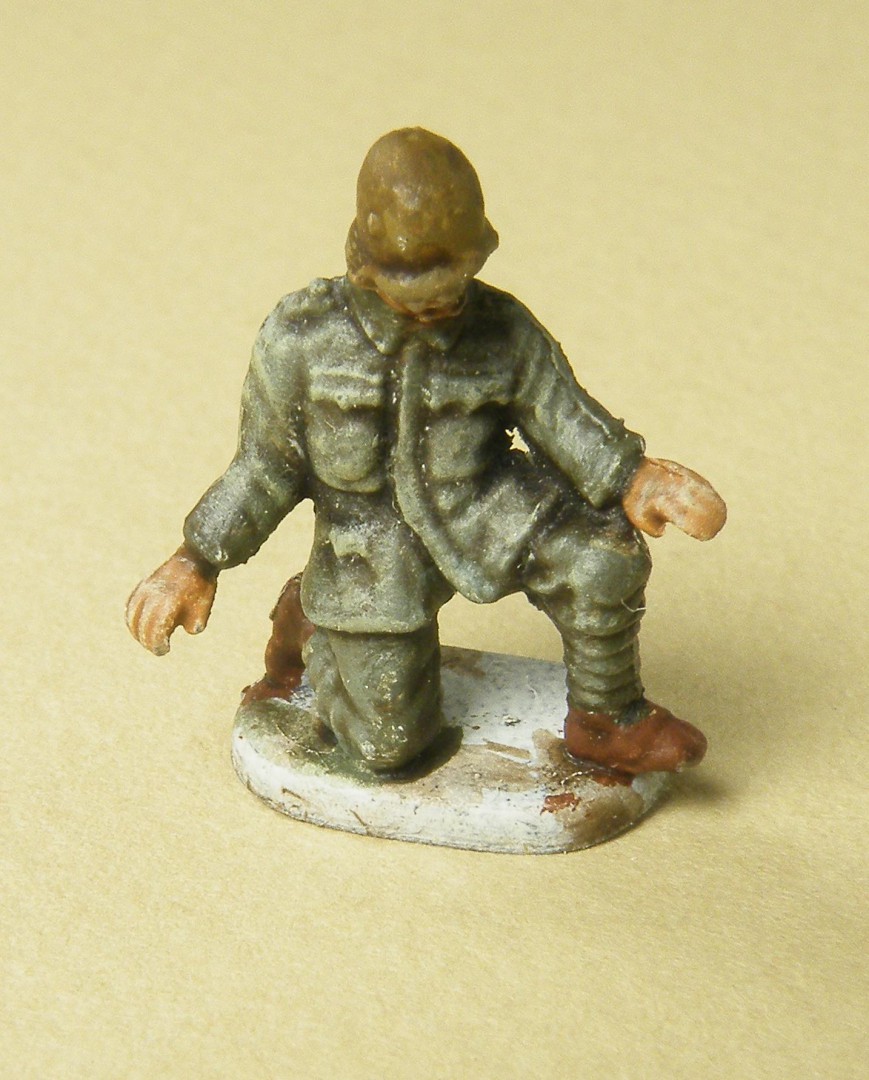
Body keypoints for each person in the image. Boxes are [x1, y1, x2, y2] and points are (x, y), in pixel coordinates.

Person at [126, 127, 725, 777]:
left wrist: (633, 477)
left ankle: (607, 721)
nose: (440, 298)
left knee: (603, 562)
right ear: (364, 262)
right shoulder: (300, 338)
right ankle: (315, 621)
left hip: (487, 507)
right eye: (414, 283)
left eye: (454, 276)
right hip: (368, 548)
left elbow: (563, 415)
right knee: (387, 751)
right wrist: (196, 559)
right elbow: (266, 466)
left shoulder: (504, 328)